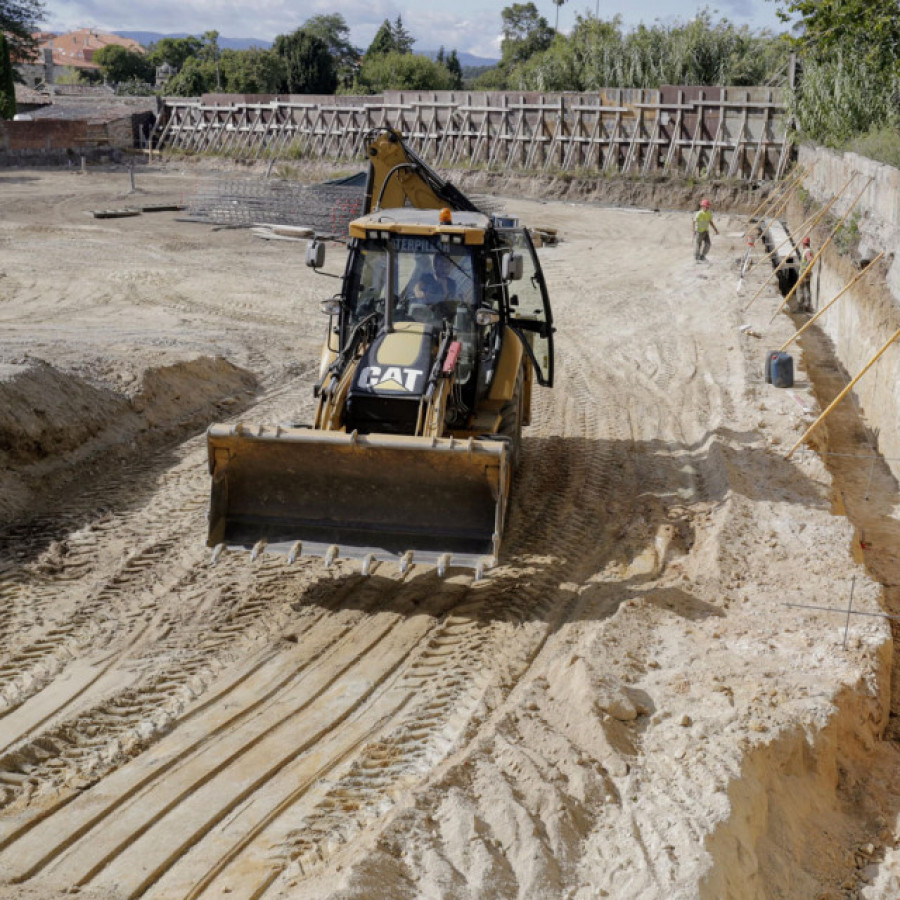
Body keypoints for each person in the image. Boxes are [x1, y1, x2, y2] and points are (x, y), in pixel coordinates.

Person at [693, 198, 719, 262]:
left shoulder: (709, 213)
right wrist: (694, 230)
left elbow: (710, 222)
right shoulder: (699, 214)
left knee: (708, 244)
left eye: (708, 207)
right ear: (702, 206)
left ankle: (703, 256)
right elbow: (693, 221)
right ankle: (697, 258)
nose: (707, 208)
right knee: (698, 244)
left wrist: (715, 229)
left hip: (705, 231)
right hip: (699, 231)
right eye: (706, 206)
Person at [795, 236, 814, 312]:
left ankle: (800, 308)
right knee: (807, 289)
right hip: (808, 273)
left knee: (799, 290)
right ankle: (807, 307)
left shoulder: (807, 251)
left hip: (804, 273)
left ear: (804, 244)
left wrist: (805, 268)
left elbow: (810, 260)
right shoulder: (810, 250)